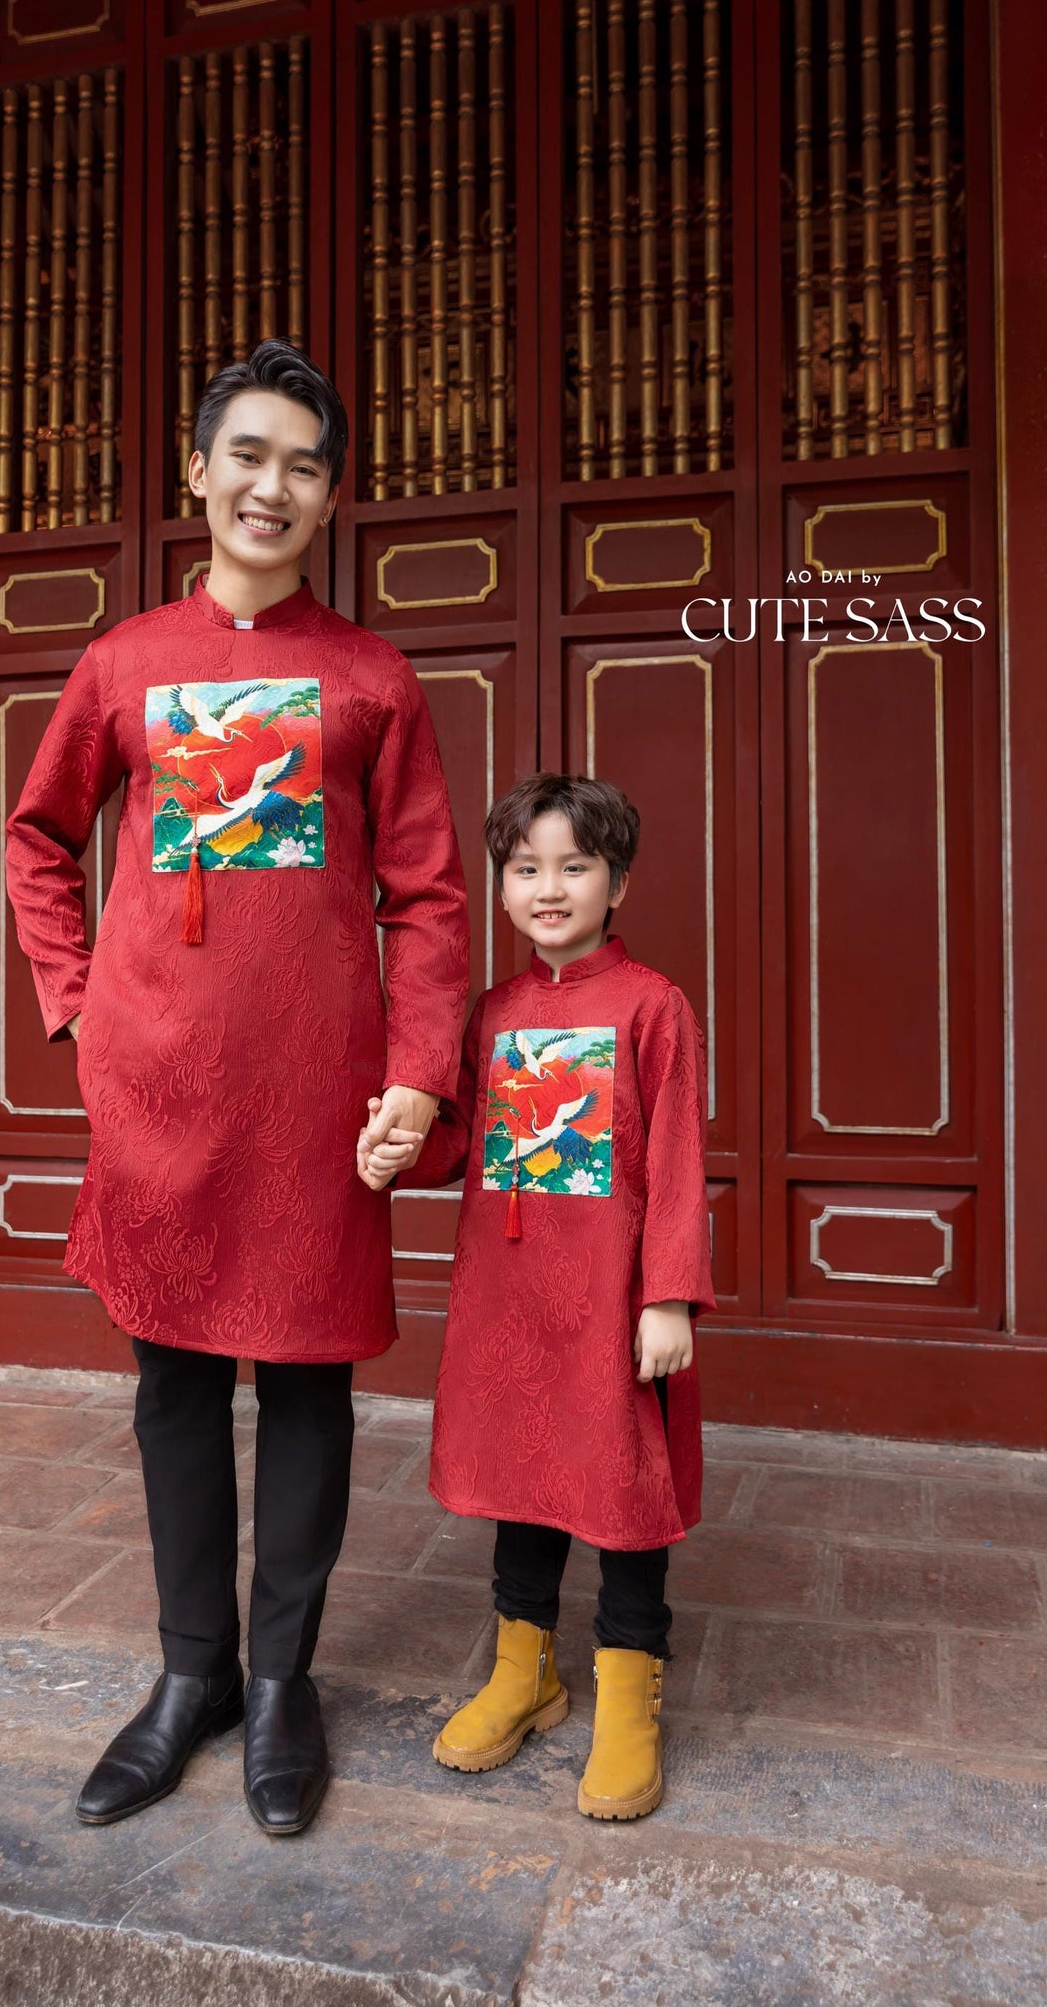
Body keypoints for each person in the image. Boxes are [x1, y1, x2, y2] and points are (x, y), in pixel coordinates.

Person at [6, 339, 469, 1837]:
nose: (273, 486)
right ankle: (188, 1675)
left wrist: (416, 1074)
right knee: (175, 1382)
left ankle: (283, 1684)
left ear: (331, 498)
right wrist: (77, 1001)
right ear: (196, 473)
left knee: (312, 1381)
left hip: (319, 1099)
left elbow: (432, 898)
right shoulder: (123, 663)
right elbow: (39, 837)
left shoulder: (371, 678)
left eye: (306, 465)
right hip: (160, 1089)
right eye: (249, 456)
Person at [358, 773, 713, 1821]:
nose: (547, 887)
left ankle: (624, 1698)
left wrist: (669, 1297)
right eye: (524, 869)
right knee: (519, 1472)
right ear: (499, 886)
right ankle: (524, 1670)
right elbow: (464, 1142)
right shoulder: (494, 1013)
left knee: (619, 1486)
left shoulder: (652, 1005)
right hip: (509, 1294)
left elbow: (683, 1160)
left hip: (612, 1293)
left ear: (617, 883)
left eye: (573, 866)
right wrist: (397, 1142)